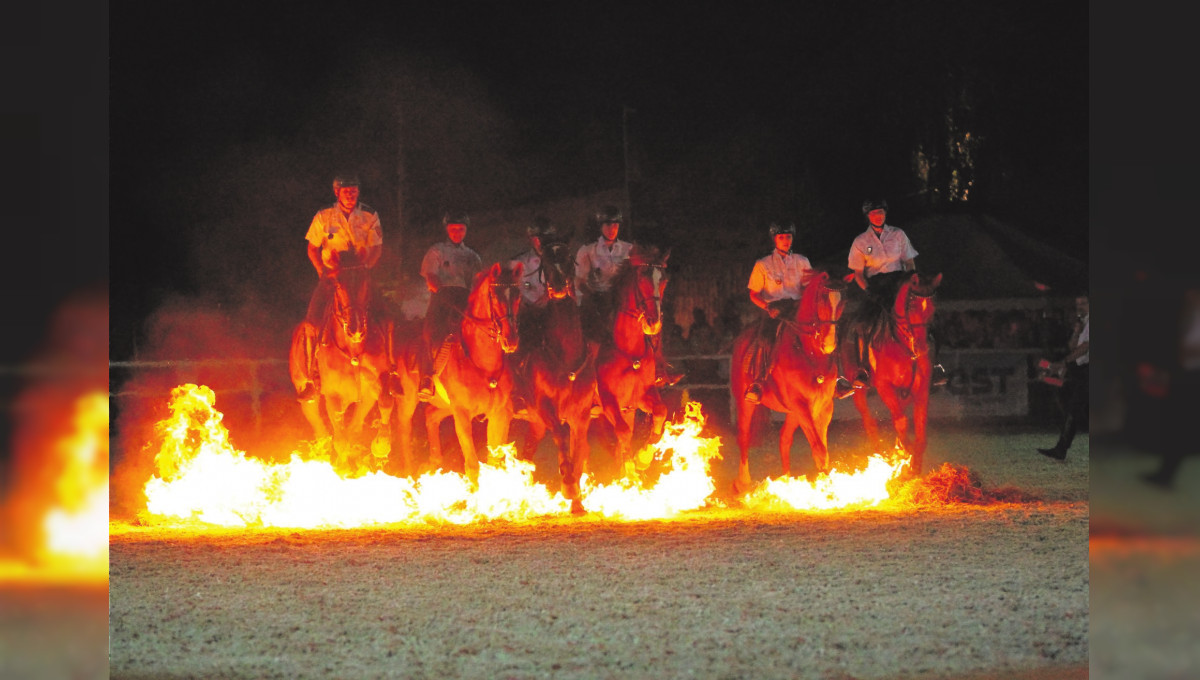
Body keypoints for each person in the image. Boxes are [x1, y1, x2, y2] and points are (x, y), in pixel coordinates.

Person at [836, 198, 946, 398]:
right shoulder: (861, 241)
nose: (878, 216)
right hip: (876, 286)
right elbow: (858, 274)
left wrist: (912, 282)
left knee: (930, 319)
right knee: (860, 324)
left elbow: (910, 262)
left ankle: (935, 366)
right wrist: (869, 291)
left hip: (899, 283)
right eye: (874, 213)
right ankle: (863, 370)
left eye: (881, 212)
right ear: (868, 216)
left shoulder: (898, 234)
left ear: (885, 214)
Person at [296, 173, 383, 398]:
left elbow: (377, 247)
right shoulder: (324, 216)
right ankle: (311, 376)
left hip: (359, 274)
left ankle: (389, 374)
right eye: (346, 191)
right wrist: (323, 273)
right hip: (333, 275)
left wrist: (367, 270)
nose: (351, 195)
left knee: (387, 317)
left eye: (354, 191)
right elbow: (312, 249)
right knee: (312, 321)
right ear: (337, 193)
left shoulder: (369, 215)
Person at [575, 205, 682, 387]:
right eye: (608, 225)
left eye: (615, 225)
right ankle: (586, 366)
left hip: (625, 296)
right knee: (586, 324)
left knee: (653, 317)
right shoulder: (588, 250)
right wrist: (589, 294)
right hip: (599, 296)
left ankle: (659, 366)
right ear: (601, 226)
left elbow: (645, 266)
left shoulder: (629, 249)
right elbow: (580, 280)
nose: (612, 229)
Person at [1138, 284, 1200, 489]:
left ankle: (1165, 474)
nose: (1189, 299)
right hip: (1187, 377)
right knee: (1178, 426)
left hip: (1192, 377)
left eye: (1193, 296)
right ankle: (1165, 474)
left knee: (1180, 427)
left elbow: (1189, 348)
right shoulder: (1188, 317)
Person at [417, 210, 483, 401]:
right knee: (430, 334)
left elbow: (478, 282)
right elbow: (430, 277)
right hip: (441, 298)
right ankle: (427, 377)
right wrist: (442, 294)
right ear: (447, 230)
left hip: (466, 299)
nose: (457, 233)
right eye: (453, 229)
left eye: (461, 229)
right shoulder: (436, 251)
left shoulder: (473, 256)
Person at [743, 222, 812, 404]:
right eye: (781, 237)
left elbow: (809, 288)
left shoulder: (802, 261)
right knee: (765, 340)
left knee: (823, 332)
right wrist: (767, 307)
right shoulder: (763, 264)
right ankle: (758, 381)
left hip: (798, 308)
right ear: (774, 240)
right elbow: (754, 294)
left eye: (788, 237)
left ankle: (833, 378)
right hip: (774, 309)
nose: (785, 241)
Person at [1037, 294, 1089, 461]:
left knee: (1075, 408)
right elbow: (1072, 346)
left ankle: (1061, 449)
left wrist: (1064, 362)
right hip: (1083, 370)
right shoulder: (1083, 323)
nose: (1079, 306)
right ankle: (1061, 448)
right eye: (1077, 304)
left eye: (1083, 303)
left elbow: (1085, 347)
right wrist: (1076, 332)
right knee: (1074, 408)